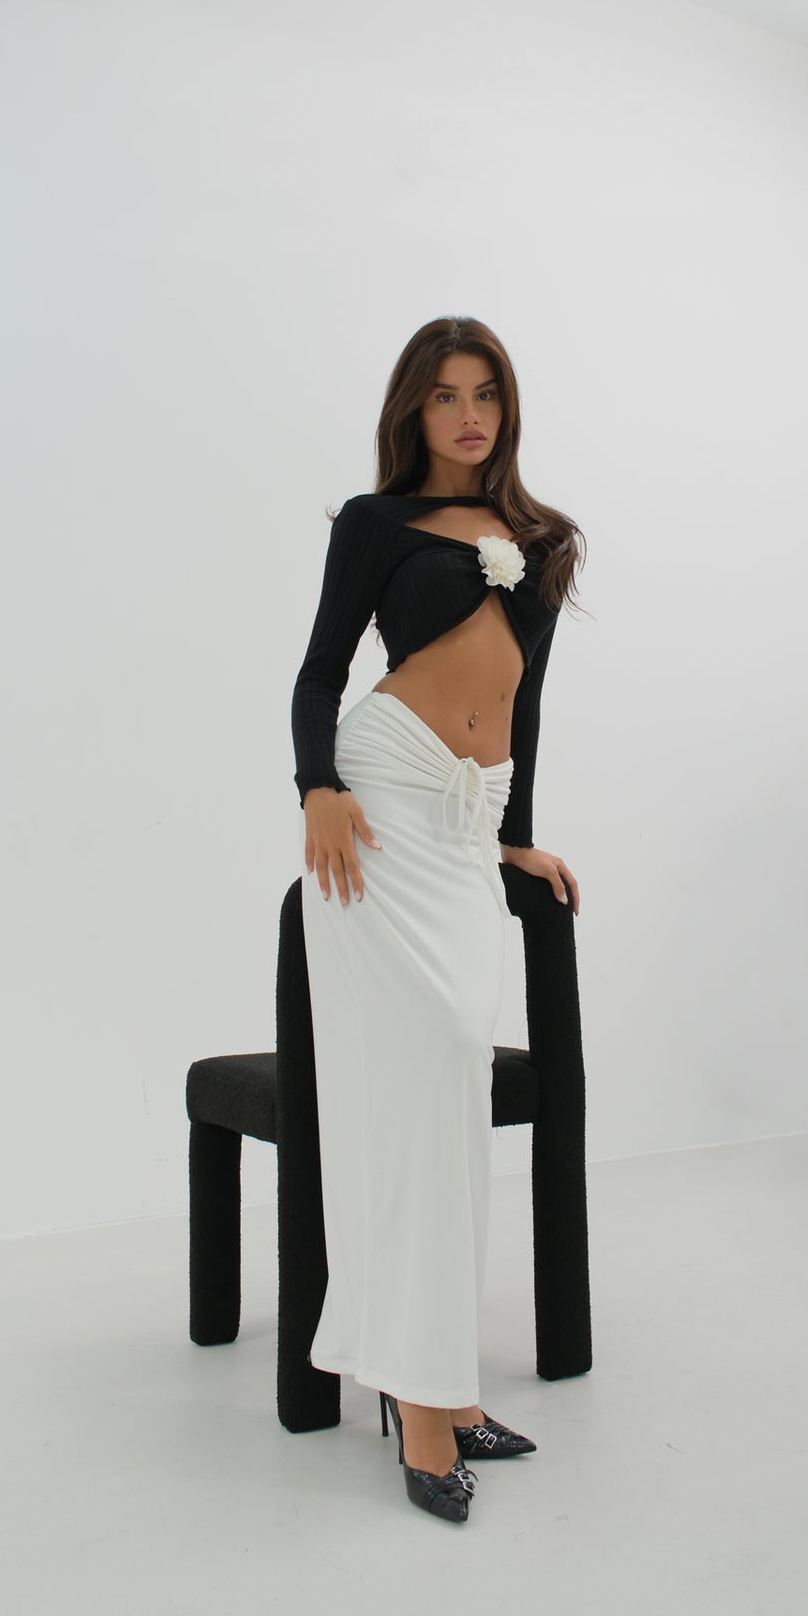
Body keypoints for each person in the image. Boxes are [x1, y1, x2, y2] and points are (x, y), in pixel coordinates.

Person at [290, 315, 584, 1523]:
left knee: (455, 1081)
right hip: (381, 800)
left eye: (486, 394)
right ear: (412, 409)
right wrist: (316, 786)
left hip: (469, 817)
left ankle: (443, 1385)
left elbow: (527, 697)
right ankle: (419, 1402)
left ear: (506, 408)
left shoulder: (543, 538)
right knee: (421, 1077)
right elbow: (320, 670)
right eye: (444, 395)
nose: (468, 415)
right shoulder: (375, 525)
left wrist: (515, 833)